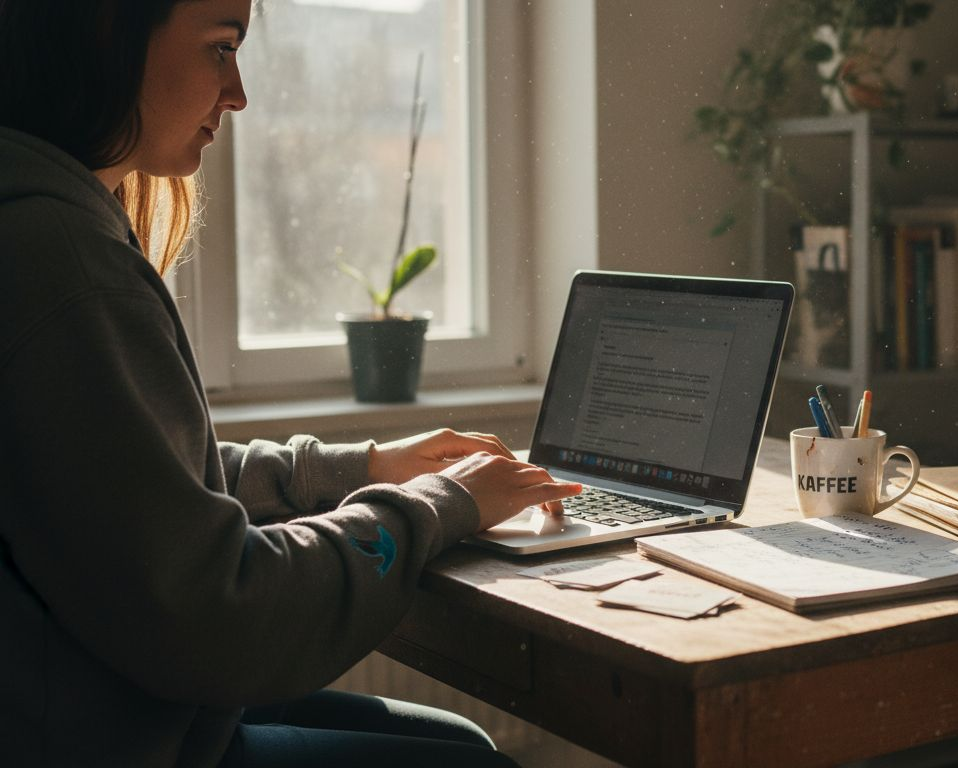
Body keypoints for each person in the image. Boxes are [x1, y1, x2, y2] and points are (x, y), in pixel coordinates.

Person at [0, 1, 582, 765]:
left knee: (458, 739)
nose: (237, 91)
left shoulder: (48, 222)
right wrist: (442, 505)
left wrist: (363, 467)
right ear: (107, 29)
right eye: (219, 47)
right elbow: (220, 614)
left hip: (108, 705)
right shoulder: (64, 264)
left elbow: (144, 488)